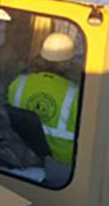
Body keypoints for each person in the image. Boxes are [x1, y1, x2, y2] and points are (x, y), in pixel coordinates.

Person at [6, 32, 80, 176]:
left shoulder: (17, 84)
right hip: (63, 167)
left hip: (20, 157)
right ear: (67, 63)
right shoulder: (75, 94)